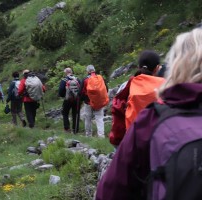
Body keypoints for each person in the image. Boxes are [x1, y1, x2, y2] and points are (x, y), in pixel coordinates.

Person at [96, 28, 202, 200]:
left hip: (140, 146)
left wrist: (117, 142)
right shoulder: (159, 85)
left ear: (177, 66)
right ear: (158, 69)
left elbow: (111, 191)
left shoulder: (153, 116)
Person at [109, 50, 165, 147]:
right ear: (156, 68)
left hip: (134, 141)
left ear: (139, 67)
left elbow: (118, 113)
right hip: (159, 142)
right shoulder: (165, 85)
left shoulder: (127, 86)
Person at [80, 65, 108, 138]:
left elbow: (81, 92)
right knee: (99, 118)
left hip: (88, 102)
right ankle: (101, 136)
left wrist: (83, 99)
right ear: (94, 70)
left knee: (88, 119)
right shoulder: (100, 78)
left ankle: (88, 135)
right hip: (99, 102)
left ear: (88, 71)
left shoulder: (85, 79)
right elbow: (106, 89)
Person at [58, 67, 80, 133]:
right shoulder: (77, 79)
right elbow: (81, 89)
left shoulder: (64, 80)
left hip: (67, 99)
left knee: (65, 113)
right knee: (75, 114)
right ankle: (75, 129)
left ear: (66, 72)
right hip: (76, 100)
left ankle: (67, 129)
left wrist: (64, 95)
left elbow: (61, 91)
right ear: (71, 72)